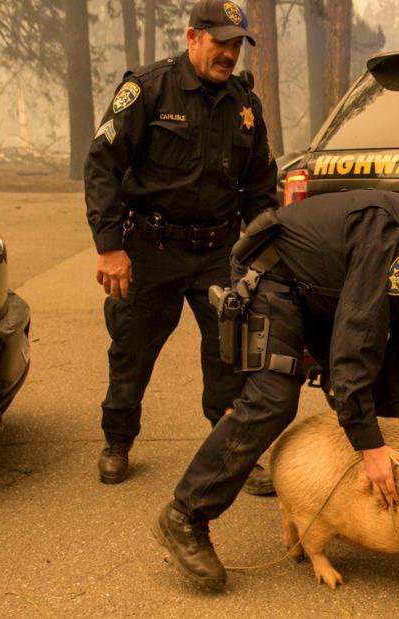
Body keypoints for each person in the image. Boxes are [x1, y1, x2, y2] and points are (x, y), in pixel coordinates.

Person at [152, 189, 399, 591]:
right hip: (274, 277)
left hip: (322, 294)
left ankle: (357, 508)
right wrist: (371, 447)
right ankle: (185, 516)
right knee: (273, 399)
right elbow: (358, 337)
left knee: (375, 399)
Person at [84, 0, 277, 494]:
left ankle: (230, 451)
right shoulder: (148, 89)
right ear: (193, 37)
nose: (229, 54)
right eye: (220, 42)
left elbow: (259, 186)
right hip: (150, 246)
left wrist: (262, 257)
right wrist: (110, 247)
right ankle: (117, 440)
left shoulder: (245, 105)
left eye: (237, 45)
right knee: (132, 349)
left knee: (230, 355)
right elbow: (102, 166)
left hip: (218, 251)